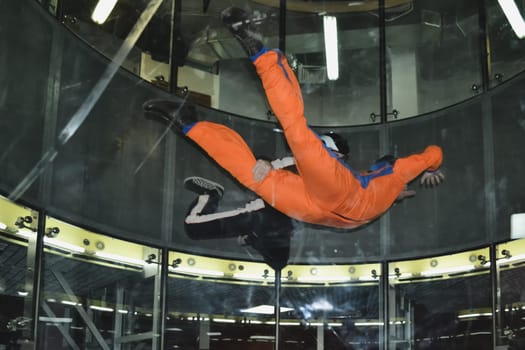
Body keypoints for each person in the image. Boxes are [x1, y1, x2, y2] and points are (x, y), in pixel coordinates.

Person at [142, 7, 444, 229]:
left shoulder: (396, 173)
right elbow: (433, 154)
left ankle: (190, 123)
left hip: (319, 211)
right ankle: (258, 51)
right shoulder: (391, 175)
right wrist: (431, 167)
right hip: (339, 199)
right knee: (295, 137)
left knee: (258, 174)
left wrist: (430, 168)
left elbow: (433, 154)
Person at [182, 175, 293, 271]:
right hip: (259, 217)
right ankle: (212, 194)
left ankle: (211, 195)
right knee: (193, 227)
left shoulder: (279, 236)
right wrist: (250, 239)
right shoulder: (275, 237)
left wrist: (251, 239)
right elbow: (279, 262)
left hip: (261, 217)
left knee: (193, 229)